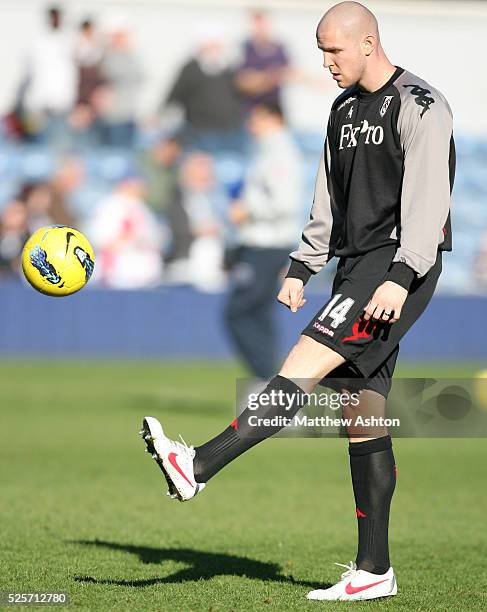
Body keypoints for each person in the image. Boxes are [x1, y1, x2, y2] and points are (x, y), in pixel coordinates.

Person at [139, 1, 454, 602]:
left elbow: (429, 199)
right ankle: (374, 570)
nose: (327, 63)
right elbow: (327, 196)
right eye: (321, 52)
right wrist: (304, 264)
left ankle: (198, 466)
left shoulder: (420, 105)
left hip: (393, 270)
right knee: (364, 416)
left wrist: (402, 274)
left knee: (299, 368)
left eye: (335, 50)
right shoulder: (341, 110)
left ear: (369, 42)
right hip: (354, 268)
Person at [224, 102, 302, 378]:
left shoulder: (279, 154)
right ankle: (270, 381)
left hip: (266, 246)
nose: (250, 125)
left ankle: (266, 379)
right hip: (263, 244)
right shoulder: (269, 152)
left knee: (239, 313)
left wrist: (247, 210)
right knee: (259, 315)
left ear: (274, 118)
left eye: (256, 119)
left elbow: (284, 203)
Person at [162, 24, 244, 153]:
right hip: (200, 131)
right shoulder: (191, 68)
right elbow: (175, 95)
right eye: (209, 44)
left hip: (229, 130)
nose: (213, 48)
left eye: (216, 44)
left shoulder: (230, 69)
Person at [236, 10, 289, 111]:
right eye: (256, 25)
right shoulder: (245, 48)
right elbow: (243, 82)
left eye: (262, 24)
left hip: (273, 107)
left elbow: (288, 72)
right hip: (251, 109)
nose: (260, 29)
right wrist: (270, 77)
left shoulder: (279, 47)